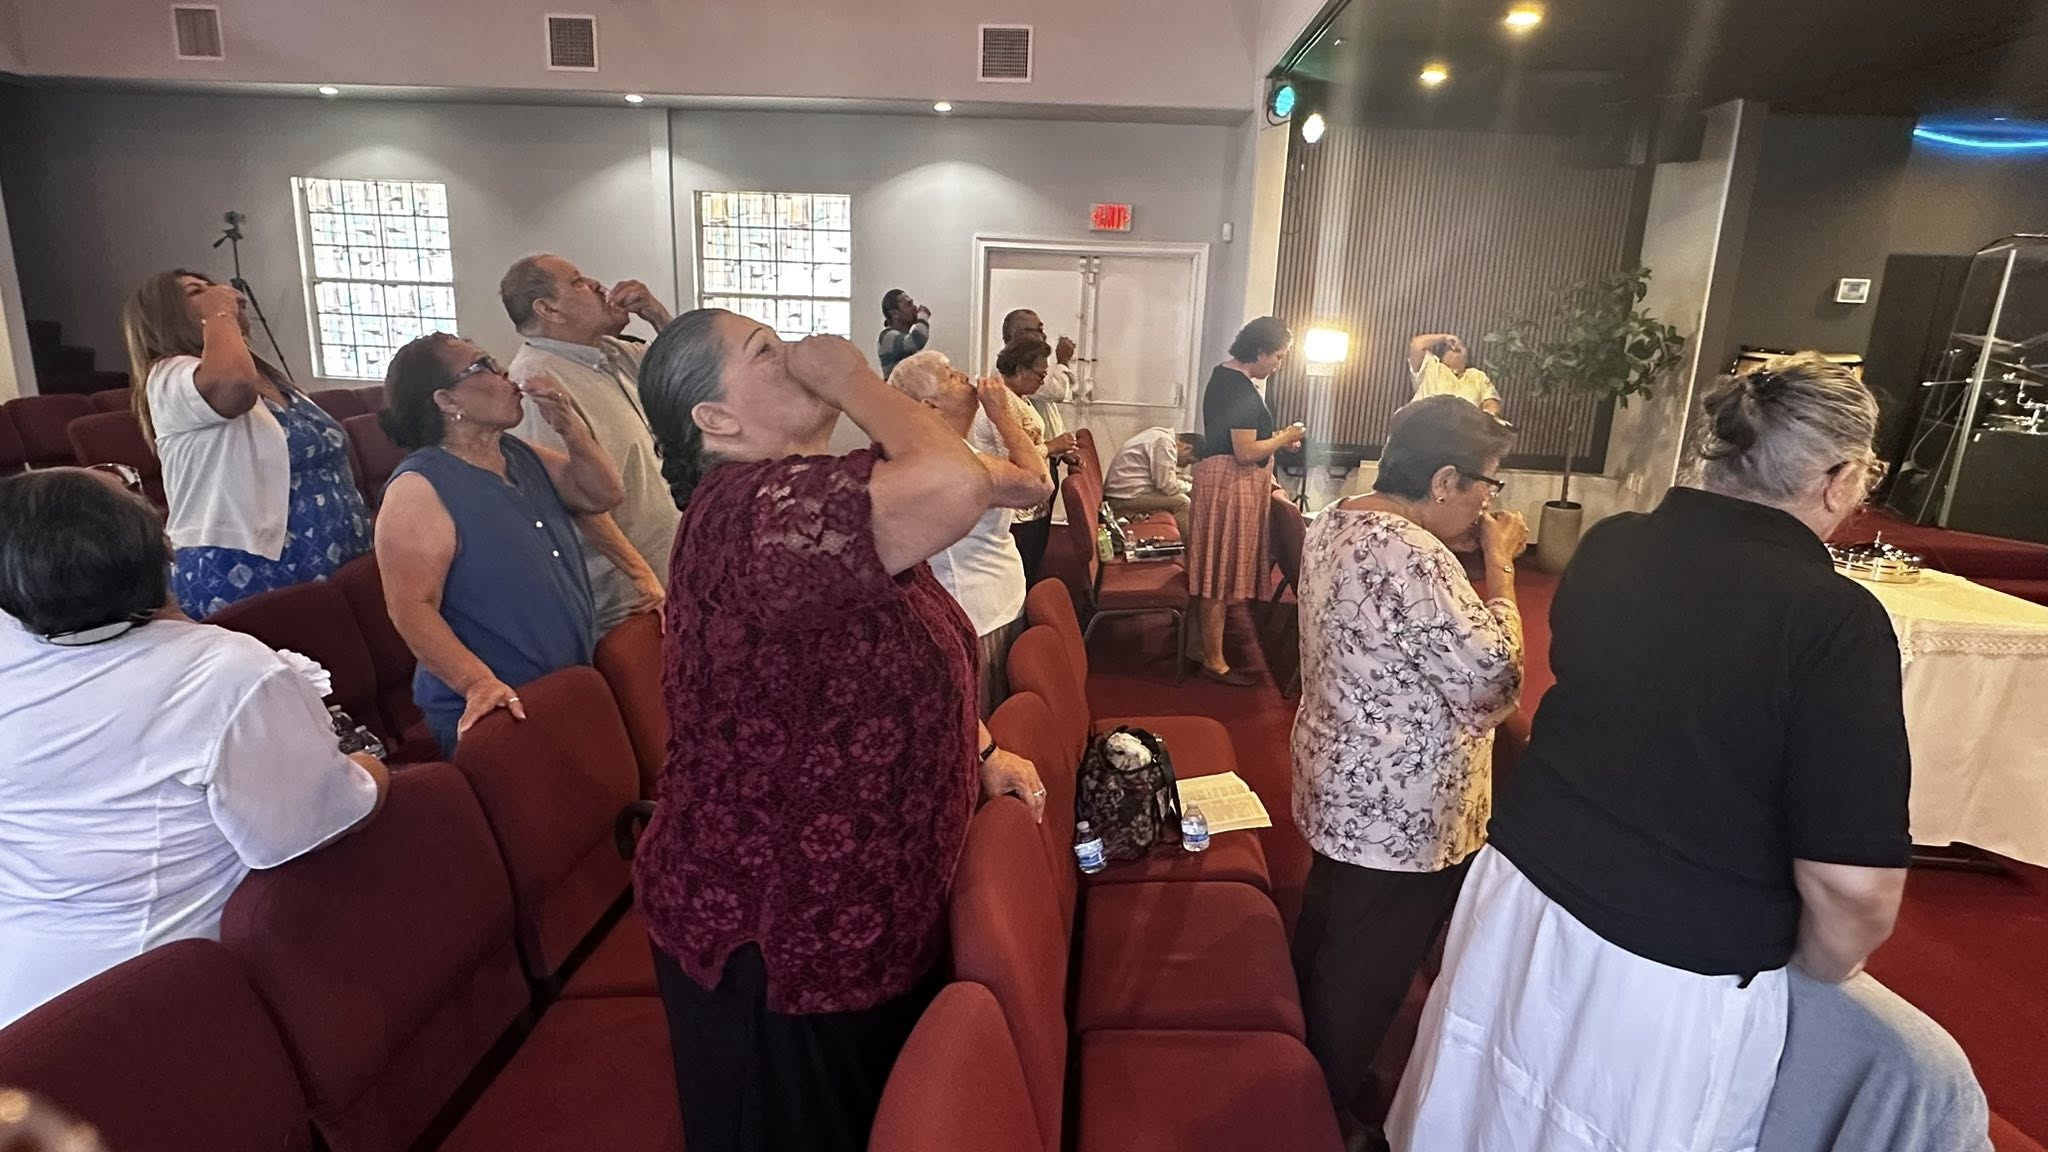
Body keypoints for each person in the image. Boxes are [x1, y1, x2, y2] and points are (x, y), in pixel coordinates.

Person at [1388, 353, 1910, 1152]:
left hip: (1521, 895)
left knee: (1484, 1106)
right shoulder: (1835, 620)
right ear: (1839, 480)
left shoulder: (1616, 544)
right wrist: (1811, 968)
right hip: (1667, 970)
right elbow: (1851, 885)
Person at [632, 310, 1045, 1152]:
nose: (796, 356)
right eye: (767, 352)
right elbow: (958, 484)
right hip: (780, 929)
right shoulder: (750, 514)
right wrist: (855, 379)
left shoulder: (810, 495)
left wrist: (981, 748)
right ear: (715, 419)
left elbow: (901, 647)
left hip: (865, 908)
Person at [0, 468, 388, 1029]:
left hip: (23, 988)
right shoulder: (227, 672)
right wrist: (372, 772)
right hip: (160, 992)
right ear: (161, 551)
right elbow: (313, 829)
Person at [1288, 396, 1526, 1145]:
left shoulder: (1337, 517)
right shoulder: (1414, 552)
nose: (1489, 504)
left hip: (1343, 773)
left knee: (1331, 932)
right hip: (1401, 805)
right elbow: (1493, 680)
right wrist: (1502, 570)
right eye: (1488, 485)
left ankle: (1303, 1070)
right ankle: (1316, 1113)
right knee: (1367, 967)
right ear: (1446, 479)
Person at [373, 334, 628, 756]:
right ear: (447, 401)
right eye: (484, 366)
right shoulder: (418, 488)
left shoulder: (517, 454)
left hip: (563, 686)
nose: (504, 372)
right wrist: (476, 682)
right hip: (497, 708)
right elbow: (411, 608)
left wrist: (570, 427)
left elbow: (602, 493)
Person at [122, 269, 371, 619]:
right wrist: (219, 313)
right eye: (196, 292)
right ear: (165, 317)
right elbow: (233, 385)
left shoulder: (266, 375)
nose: (224, 294)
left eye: (214, 288)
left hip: (333, 550)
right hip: (247, 567)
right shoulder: (168, 376)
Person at [498, 254, 673, 633]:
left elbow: (693, 371)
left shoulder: (615, 352)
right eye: (577, 281)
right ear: (548, 309)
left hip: (668, 567)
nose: (596, 284)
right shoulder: (536, 384)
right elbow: (572, 499)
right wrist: (641, 574)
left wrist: (656, 314)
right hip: (631, 595)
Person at [889, 349, 1055, 717]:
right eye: (950, 375)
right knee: (991, 722)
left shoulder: (948, 451)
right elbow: (1039, 483)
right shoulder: (950, 462)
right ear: (929, 407)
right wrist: (1002, 413)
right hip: (980, 612)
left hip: (988, 601)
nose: (964, 375)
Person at [1189, 316, 1302, 685]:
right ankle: (1214, 662)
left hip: (1225, 482)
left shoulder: (1228, 378)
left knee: (1214, 571)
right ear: (1260, 351)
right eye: (1278, 356)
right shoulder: (1237, 387)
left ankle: (1199, 647)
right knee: (1217, 575)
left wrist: (1278, 439)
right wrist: (1284, 436)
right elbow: (1245, 451)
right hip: (1228, 485)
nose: (1278, 364)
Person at [981, 337, 1076, 582]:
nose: (1043, 380)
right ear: (1020, 369)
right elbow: (1010, 456)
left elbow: (1029, 442)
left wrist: (1057, 450)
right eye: (1040, 374)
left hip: (1030, 502)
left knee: (1032, 564)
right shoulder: (1001, 401)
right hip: (1014, 505)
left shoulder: (1019, 397)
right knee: (1021, 568)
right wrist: (1052, 447)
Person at [1104, 426, 1199, 541]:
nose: (1184, 465)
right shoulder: (1164, 444)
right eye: (1188, 461)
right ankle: (1190, 547)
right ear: (1187, 448)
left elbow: (1163, 477)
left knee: (1184, 485)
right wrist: (1192, 488)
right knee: (1183, 503)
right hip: (1123, 498)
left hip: (1126, 491)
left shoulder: (1160, 436)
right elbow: (1167, 486)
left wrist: (1188, 480)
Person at [1001, 308, 1081, 428]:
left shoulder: (1029, 365)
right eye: (1039, 330)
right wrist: (1062, 360)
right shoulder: (1009, 367)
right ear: (1020, 334)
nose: (1044, 335)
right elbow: (1056, 392)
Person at [1407, 332, 1501, 416]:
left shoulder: (1478, 376)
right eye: (1450, 347)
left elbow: (1491, 402)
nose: (1456, 346)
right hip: (1424, 423)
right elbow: (1417, 344)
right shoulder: (1431, 365)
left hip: (1464, 427)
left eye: (1462, 345)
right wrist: (1445, 337)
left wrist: (1488, 414)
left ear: (1467, 357)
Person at [876, 288, 930, 377]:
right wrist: (923, 317)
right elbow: (917, 340)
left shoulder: (903, 338)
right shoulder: (886, 337)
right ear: (895, 314)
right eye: (909, 305)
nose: (915, 308)